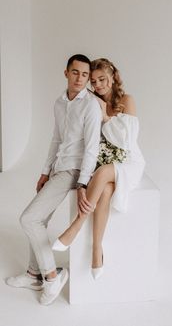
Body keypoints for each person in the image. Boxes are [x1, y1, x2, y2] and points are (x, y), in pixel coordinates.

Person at [6, 54, 103, 305]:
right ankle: (33, 274)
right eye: (75, 72)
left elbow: (92, 148)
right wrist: (45, 171)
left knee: (29, 219)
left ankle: (52, 276)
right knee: (39, 219)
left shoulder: (90, 105)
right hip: (59, 168)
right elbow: (56, 139)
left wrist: (82, 183)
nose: (80, 78)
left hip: (74, 171)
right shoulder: (60, 103)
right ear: (66, 73)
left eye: (84, 74)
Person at [52, 58, 145, 280]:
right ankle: (97, 249)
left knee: (103, 174)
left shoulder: (126, 100)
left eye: (102, 79)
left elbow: (126, 140)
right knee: (103, 190)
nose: (98, 85)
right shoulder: (92, 102)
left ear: (113, 77)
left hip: (129, 162)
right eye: (93, 81)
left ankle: (76, 226)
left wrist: (105, 115)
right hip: (107, 162)